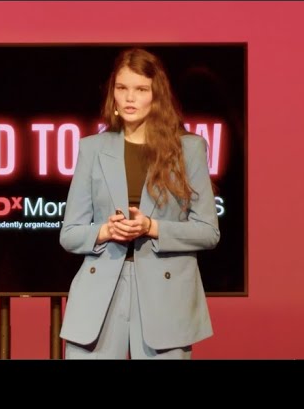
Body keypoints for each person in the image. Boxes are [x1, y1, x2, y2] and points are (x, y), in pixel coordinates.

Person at [59, 47, 220, 359]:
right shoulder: (92, 149)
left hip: (165, 295)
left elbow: (208, 231)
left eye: (141, 89)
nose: (129, 98)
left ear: (156, 95)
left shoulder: (189, 149)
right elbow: (69, 233)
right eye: (122, 88)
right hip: (101, 293)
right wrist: (104, 231)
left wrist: (152, 227)